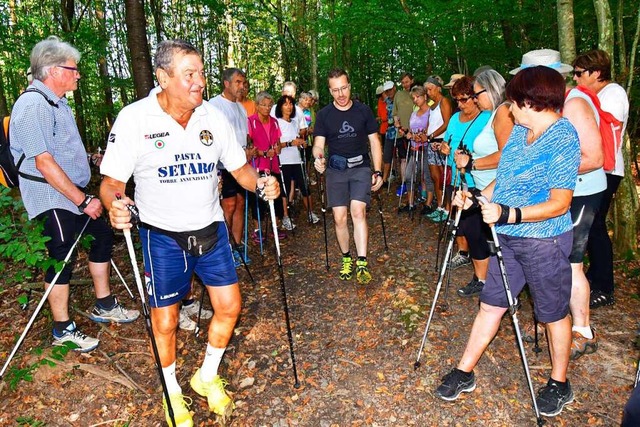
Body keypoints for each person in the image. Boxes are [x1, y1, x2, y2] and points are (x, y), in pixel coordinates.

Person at [99, 40, 280, 426]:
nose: (200, 82)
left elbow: (240, 169)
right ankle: (172, 390)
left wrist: (263, 182)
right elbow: (113, 182)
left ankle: (206, 376)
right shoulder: (135, 119)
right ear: (163, 78)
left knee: (230, 307)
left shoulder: (211, 117)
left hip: (211, 229)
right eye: (189, 75)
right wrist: (117, 202)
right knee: (164, 320)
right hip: (162, 235)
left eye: (201, 73)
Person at [436, 65, 581, 419]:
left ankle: (559, 382)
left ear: (530, 102)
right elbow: (505, 179)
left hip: (544, 241)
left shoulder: (564, 137)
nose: (508, 108)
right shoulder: (520, 131)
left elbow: (560, 202)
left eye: (513, 102)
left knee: (551, 313)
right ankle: (465, 370)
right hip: (508, 239)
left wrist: (508, 214)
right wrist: (475, 197)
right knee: (491, 305)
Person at [9, 36, 139, 353]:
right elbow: (43, 162)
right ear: (53, 70)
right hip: (50, 196)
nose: (77, 74)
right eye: (73, 68)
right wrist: (82, 200)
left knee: (101, 236)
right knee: (62, 254)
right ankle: (62, 328)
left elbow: (61, 151)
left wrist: (90, 163)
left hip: (70, 192)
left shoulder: (58, 102)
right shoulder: (31, 105)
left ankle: (104, 304)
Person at [556, 49, 606, 361]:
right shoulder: (558, 105)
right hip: (566, 191)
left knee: (573, 260)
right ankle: (564, 320)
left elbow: (594, 158)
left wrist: (550, 171)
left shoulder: (574, 103)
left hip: (583, 192)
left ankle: (583, 331)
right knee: (563, 257)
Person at [313, 68, 383, 284]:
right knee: (339, 217)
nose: (340, 94)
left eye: (344, 88)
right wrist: (318, 158)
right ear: (329, 91)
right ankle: (346, 258)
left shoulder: (363, 111)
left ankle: (361, 261)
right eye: (335, 90)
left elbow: (374, 142)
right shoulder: (324, 115)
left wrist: (378, 171)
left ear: (350, 86)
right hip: (336, 170)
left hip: (360, 167)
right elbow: (318, 145)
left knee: (358, 211)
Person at [572, 50, 630, 309]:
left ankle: (604, 287)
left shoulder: (613, 92)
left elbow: (607, 126)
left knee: (594, 227)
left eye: (579, 73)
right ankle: (595, 279)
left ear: (596, 73)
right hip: (595, 169)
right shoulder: (589, 95)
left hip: (607, 168)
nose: (575, 79)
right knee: (592, 227)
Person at [453, 69, 514, 297]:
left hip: (497, 187)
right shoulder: (495, 113)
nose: (475, 99)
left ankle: (500, 286)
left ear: (491, 89)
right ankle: (482, 279)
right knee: (472, 229)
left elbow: (507, 155)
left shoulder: (504, 112)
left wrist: (472, 164)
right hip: (482, 187)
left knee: (489, 234)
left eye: (477, 94)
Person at [209, 68, 252, 268]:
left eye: (243, 82)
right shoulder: (214, 106)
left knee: (241, 204)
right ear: (226, 83)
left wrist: (248, 149)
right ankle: (224, 248)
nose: (242, 86)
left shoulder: (241, 108)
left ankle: (237, 245)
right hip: (223, 166)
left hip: (241, 165)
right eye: (238, 82)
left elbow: (244, 135)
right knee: (228, 206)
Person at [275, 95, 320, 227]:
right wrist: (290, 143)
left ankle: (310, 213)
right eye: (285, 104)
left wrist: (301, 143)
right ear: (280, 107)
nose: (288, 107)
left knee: (305, 187)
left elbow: (297, 139)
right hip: (284, 161)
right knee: (285, 189)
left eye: (290, 104)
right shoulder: (276, 123)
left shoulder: (295, 122)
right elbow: (276, 145)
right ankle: (285, 217)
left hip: (297, 159)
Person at [423, 75, 452, 216]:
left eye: (430, 89)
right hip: (431, 142)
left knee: (444, 176)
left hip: (441, 142)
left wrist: (432, 135)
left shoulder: (444, 102)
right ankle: (439, 205)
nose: (428, 92)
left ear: (438, 88)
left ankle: (447, 207)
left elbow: (447, 123)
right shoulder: (431, 106)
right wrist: (425, 134)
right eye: (426, 90)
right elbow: (429, 124)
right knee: (435, 176)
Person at [400, 85, 431, 212]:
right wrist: (409, 135)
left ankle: (428, 204)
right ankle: (411, 203)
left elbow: (430, 129)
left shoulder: (431, 111)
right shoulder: (414, 113)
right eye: (413, 98)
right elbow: (412, 130)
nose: (415, 100)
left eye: (417, 97)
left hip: (426, 149)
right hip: (414, 149)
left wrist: (425, 136)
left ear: (424, 96)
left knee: (427, 176)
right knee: (409, 175)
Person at [392, 72, 415, 195]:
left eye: (407, 81)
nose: (405, 84)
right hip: (402, 132)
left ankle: (416, 185)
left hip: (415, 133)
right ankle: (404, 184)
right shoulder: (399, 95)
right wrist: (397, 123)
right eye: (403, 82)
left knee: (415, 159)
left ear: (412, 80)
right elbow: (395, 113)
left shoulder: (417, 93)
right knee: (403, 159)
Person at [381, 80, 398, 185]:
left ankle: (404, 180)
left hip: (401, 131)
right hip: (390, 131)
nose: (389, 92)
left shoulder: (400, 98)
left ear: (394, 88)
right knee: (387, 155)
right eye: (387, 91)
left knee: (402, 157)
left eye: (390, 89)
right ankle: (384, 179)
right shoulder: (386, 101)